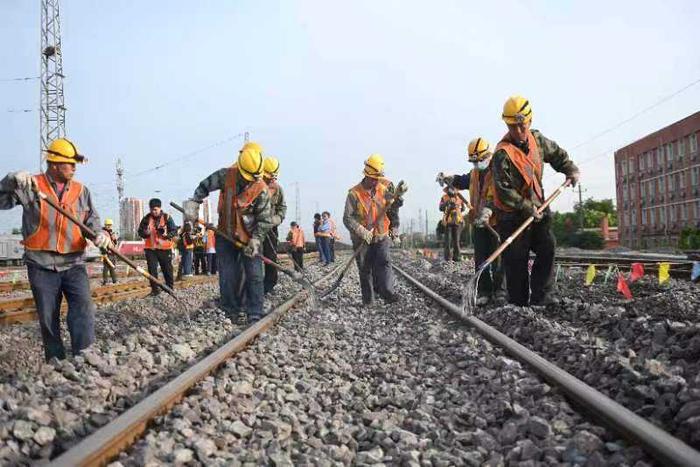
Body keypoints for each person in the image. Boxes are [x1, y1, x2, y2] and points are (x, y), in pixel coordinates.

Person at [0, 138, 109, 360]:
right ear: (55, 164)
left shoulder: (81, 191)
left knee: (84, 309)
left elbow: (91, 221)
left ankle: (84, 356)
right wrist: (9, 181)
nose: (74, 167)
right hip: (41, 265)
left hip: (74, 263)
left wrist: (101, 234)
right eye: (70, 163)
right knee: (48, 318)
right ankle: (56, 361)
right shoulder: (31, 186)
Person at [490, 96, 579, 306]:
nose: (518, 131)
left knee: (547, 247)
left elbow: (557, 155)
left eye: (522, 125)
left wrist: (570, 169)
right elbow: (503, 190)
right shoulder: (502, 154)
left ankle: (542, 296)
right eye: (513, 126)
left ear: (529, 121)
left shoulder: (537, 140)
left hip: (539, 208)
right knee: (516, 261)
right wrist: (527, 207)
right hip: (512, 215)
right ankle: (519, 305)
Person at [184, 142, 272, 324]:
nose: (250, 181)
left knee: (254, 274)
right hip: (225, 234)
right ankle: (230, 309)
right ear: (240, 168)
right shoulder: (226, 175)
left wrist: (256, 240)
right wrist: (194, 202)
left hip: (249, 238)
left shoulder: (261, 188)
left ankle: (254, 311)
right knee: (228, 274)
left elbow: (264, 220)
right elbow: (204, 187)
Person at [439, 137, 506, 305]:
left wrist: (489, 211)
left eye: (479, 160)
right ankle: (484, 291)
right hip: (478, 222)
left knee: (497, 259)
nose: (477, 164)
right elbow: (462, 180)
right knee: (480, 259)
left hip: (495, 223)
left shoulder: (497, 171)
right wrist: (449, 178)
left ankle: (499, 291)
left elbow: (498, 195)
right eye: (474, 161)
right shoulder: (475, 173)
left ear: (488, 155)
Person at [343, 154, 406, 305]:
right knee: (365, 269)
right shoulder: (354, 193)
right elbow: (347, 218)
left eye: (378, 178)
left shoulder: (383, 188)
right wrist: (361, 231)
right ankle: (368, 301)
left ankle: (388, 293)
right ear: (366, 175)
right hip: (361, 239)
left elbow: (393, 207)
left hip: (381, 235)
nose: (376, 181)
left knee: (384, 262)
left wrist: (399, 198)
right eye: (373, 179)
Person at [138, 198, 177, 296]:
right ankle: (155, 290)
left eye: (155, 209)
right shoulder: (146, 218)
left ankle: (170, 288)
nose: (153, 211)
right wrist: (145, 233)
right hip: (151, 249)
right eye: (151, 209)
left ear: (160, 208)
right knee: (152, 270)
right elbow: (140, 231)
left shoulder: (167, 217)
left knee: (167, 269)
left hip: (165, 249)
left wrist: (166, 235)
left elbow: (174, 230)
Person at [261, 156, 287, 294]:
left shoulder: (278, 189)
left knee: (270, 256)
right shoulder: (254, 187)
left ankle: (270, 284)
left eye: (272, 178)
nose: (271, 180)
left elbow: (282, 208)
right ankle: (254, 285)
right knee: (254, 257)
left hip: (271, 229)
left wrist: (276, 220)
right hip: (255, 229)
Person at [438, 186, 466, 261]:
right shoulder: (444, 198)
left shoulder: (459, 198)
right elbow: (440, 207)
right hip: (448, 222)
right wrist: (447, 204)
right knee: (448, 241)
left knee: (456, 241)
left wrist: (456, 209)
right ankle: (447, 259)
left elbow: (463, 208)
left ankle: (457, 258)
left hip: (458, 221)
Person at [101, 218, 119, 285]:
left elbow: (115, 242)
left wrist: (114, 237)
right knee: (106, 267)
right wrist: (104, 252)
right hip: (107, 253)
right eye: (107, 225)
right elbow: (102, 243)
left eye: (110, 225)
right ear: (105, 225)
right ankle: (105, 281)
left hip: (112, 252)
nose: (109, 226)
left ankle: (114, 280)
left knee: (112, 267)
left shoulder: (111, 232)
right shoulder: (103, 233)